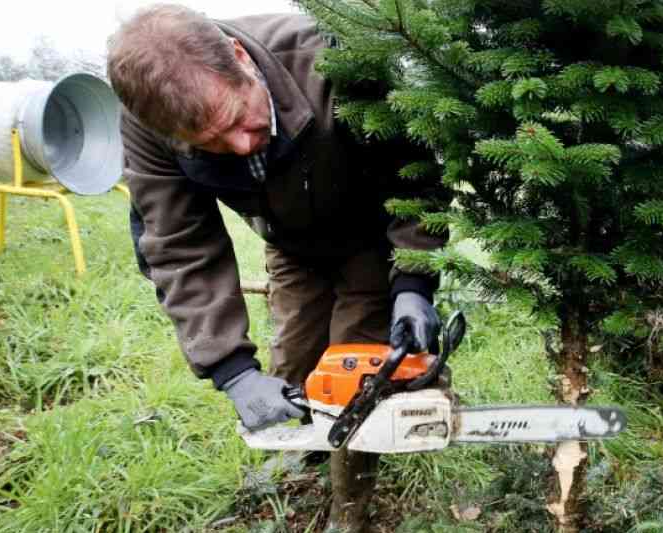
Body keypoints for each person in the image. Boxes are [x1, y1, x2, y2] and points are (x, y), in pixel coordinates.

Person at [106, 3, 446, 528]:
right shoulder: (150, 126)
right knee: (295, 363)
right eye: (212, 145)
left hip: (371, 233)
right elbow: (178, 244)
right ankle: (300, 463)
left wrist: (413, 280)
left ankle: (349, 503)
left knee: (358, 371)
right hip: (289, 241)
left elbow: (414, 174)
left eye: (238, 121)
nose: (240, 147)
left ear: (240, 58)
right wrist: (233, 372)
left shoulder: (330, 58)